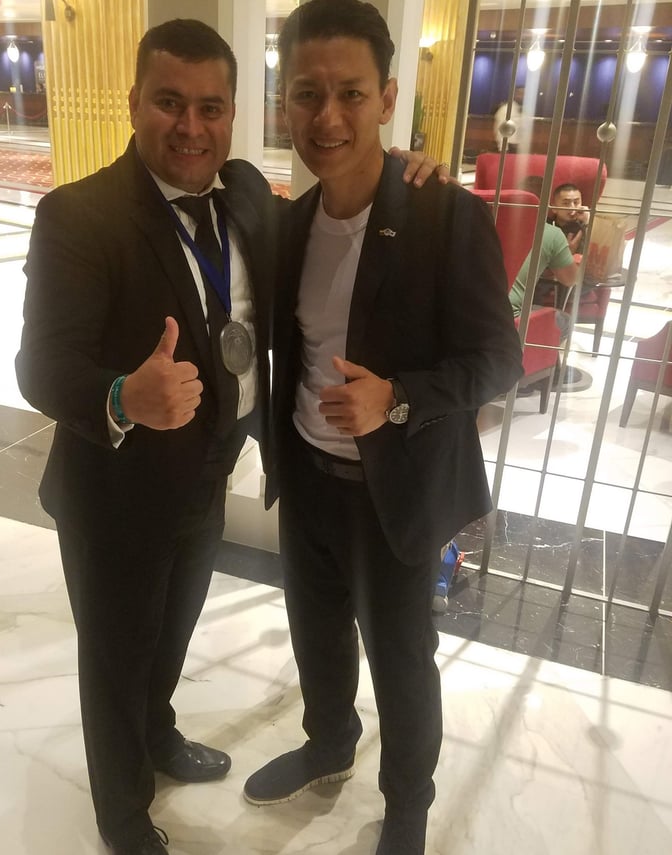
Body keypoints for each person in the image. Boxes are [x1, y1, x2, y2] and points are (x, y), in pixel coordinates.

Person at [16, 19, 445, 855]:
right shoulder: (79, 215)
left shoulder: (246, 193)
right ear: (133, 101)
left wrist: (405, 173)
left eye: (210, 107)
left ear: (234, 113)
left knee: (171, 631)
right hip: (116, 493)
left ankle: (159, 732)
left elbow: (336, 219)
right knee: (116, 656)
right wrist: (120, 393)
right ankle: (122, 815)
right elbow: (39, 365)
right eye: (169, 103)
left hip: (210, 471)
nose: (191, 126)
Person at [243, 3, 524, 854]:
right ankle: (329, 742)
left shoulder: (447, 218)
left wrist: (395, 396)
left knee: (401, 660)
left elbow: (498, 361)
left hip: (394, 493)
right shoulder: (292, 223)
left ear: (388, 98)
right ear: (286, 101)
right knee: (316, 634)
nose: (327, 116)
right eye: (307, 93)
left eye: (351, 93)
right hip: (308, 479)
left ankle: (408, 803)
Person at [548, 182, 590, 255]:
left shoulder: (584, 226)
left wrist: (588, 222)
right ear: (554, 208)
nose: (572, 208)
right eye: (566, 203)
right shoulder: (546, 227)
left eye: (576, 202)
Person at [493, 85, 533, 153]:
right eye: (520, 93)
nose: (523, 96)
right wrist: (503, 150)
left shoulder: (525, 111)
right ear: (514, 95)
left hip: (520, 148)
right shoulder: (505, 109)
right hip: (508, 148)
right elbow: (500, 132)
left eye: (525, 94)